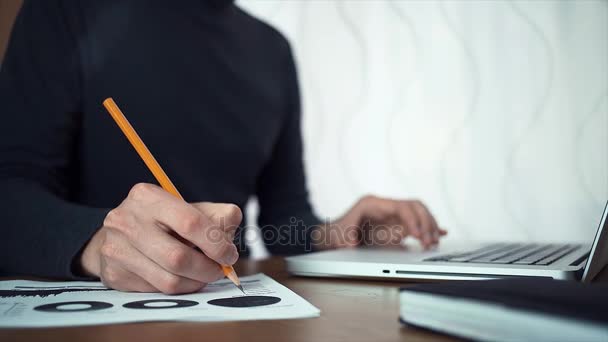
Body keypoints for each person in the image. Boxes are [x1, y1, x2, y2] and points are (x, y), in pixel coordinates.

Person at [0, 0, 446, 294]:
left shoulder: (272, 50)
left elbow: (282, 221)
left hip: (229, 309)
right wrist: (98, 241)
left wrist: (337, 233)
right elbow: (10, 192)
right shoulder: (65, 10)